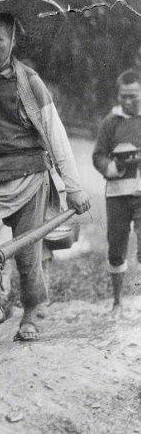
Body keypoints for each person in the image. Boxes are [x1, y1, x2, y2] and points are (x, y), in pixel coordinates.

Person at [0, 9, 90, 342]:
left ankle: (31, 313)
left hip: (30, 178)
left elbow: (55, 134)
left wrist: (74, 188)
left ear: (12, 40)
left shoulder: (30, 82)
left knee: (28, 256)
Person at [92, 67, 141, 316]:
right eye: (124, 96)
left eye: (134, 95)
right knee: (116, 248)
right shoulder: (110, 122)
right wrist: (113, 166)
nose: (128, 101)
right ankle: (118, 302)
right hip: (118, 194)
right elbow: (98, 155)